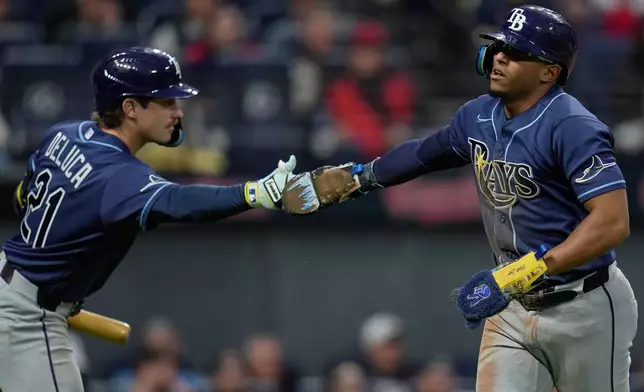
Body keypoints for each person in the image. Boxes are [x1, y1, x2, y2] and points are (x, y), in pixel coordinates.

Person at [293, 6, 638, 392]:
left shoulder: (573, 126)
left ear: (549, 72)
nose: (501, 57)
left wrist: (519, 274)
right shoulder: (478, 115)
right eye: (500, 47)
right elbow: (425, 153)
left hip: (585, 306)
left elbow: (612, 221)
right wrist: (362, 177)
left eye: (518, 52)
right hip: (511, 304)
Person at [0, 46, 297, 392]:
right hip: (28, 317)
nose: (177, 111)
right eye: (166, 102)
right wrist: (254, 193)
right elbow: (180, 201)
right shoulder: (120, 175)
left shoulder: (64, 133)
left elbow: (22, 198)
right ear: (130, 108)